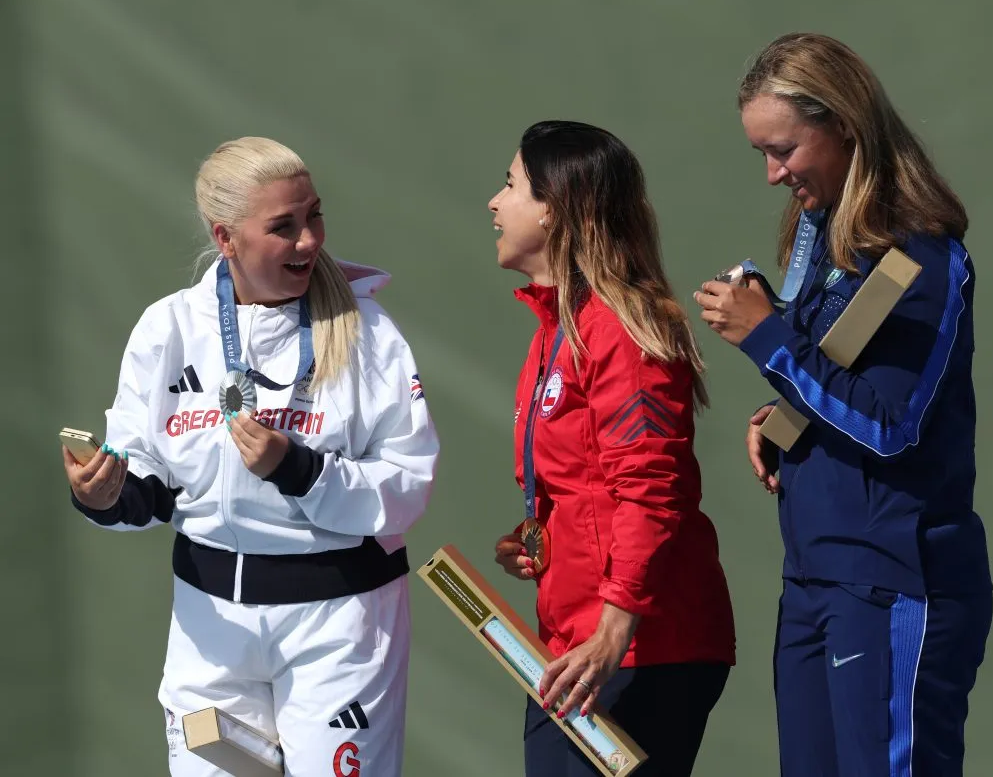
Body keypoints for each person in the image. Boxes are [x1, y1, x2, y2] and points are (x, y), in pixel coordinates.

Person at [61, 136, 438, 777]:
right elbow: (146, 472)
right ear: (226, 238)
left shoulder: (369, 332)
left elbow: (408, 483)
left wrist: (299, 469)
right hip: (210, 630)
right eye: (283, 226)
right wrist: (107, 495)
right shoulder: (168, 328)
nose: (309, 240)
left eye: (314, 216)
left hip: (338, 627)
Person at [694, 33, 992, 776]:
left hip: (894, 580)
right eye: (763, 153)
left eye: (784, 149)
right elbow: (841, 380)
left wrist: (769, 340)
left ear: (846, 126)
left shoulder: (921, 258)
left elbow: (892, 427)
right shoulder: (831, 239)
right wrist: (787, 421)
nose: (773, 173)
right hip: (815, 574)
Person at [489, 120, 736, 777]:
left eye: (510, 185)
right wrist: (540, 537)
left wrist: (613, 630)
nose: (494, 202)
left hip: (636, 649)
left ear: (553, 208)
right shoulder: (557, 328)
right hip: (578, 644)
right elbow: (589, 485)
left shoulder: (618, 328)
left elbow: (652, 490)